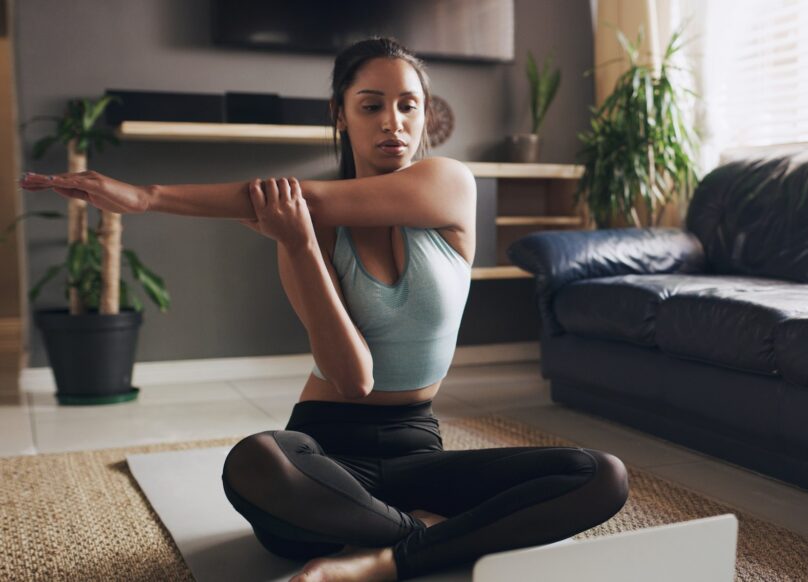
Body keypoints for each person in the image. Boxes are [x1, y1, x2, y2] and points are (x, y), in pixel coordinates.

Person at [20, 36, 629, 582]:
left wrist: (147, 196)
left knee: (601, 475)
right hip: (323, 464)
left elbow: (299, 195)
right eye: (371, 105)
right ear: (339, 114)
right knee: (257, 459)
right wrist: (301, 243)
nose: (393, 122)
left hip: (419, 452)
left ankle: (390, 553)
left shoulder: (449, 185)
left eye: (408, 104)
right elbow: (354, 376)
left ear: (425, 115)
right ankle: (424, 535)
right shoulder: (303, 230)